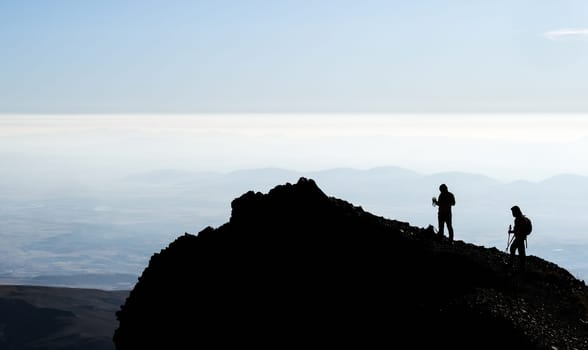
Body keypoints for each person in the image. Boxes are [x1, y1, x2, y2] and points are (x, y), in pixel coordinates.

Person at [507, 205, 532, 271]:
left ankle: (511, 264)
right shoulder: (521, 218)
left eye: (513, 212)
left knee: (513, 248)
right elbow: (519, 230)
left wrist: (511, 231)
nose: (512, 214)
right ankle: (522, 267)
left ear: (516, 212)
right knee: (521, 251)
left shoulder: (519, 219)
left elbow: (518, 230)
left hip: (519, 237)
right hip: (521, 237)